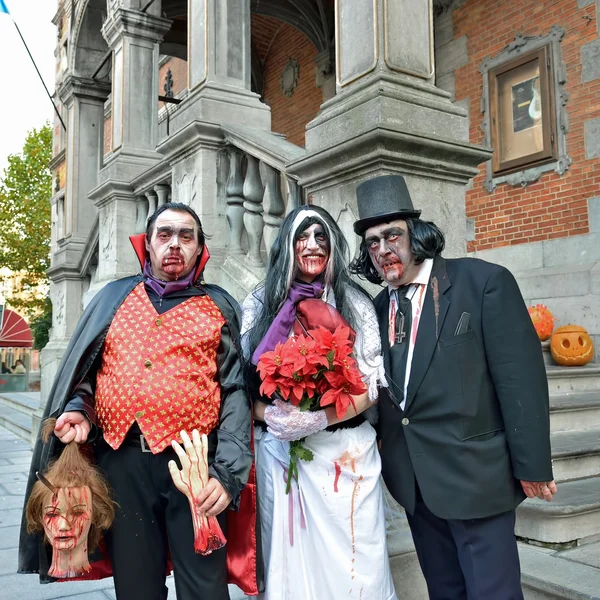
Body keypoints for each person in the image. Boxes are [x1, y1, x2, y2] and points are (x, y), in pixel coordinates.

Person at [19, 202, 256, 600]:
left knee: (204, 589)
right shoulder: (114, 298)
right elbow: (86, 375)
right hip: (122, 466)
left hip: (194, 469)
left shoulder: (219, 306)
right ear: (147, 244)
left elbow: (236, 394)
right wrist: (80, 408)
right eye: (165, 235)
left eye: (186, 236)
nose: (175, 244)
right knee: (136, 588)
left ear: (200, 249)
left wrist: (228, 473)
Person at [350, 174, 557, 600]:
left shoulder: (482, 283)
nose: (384, 250)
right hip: (414, 485)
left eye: (393, 236)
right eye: (373, 243)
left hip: (475, 476)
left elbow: (520, 379)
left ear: (416, 234)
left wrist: (533, 464)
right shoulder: (374, 308)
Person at [241, 205, 397, 600]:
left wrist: (319, 420)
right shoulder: (259, 305)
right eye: (302, 237)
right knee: (290, 565)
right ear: (287, 247)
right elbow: (239, 386)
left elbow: (372, 384)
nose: (312, 246)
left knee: (354, 565)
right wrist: (270, 415)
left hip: (344, 456)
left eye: (321, 237)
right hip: (280, 457)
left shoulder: (355, 304)